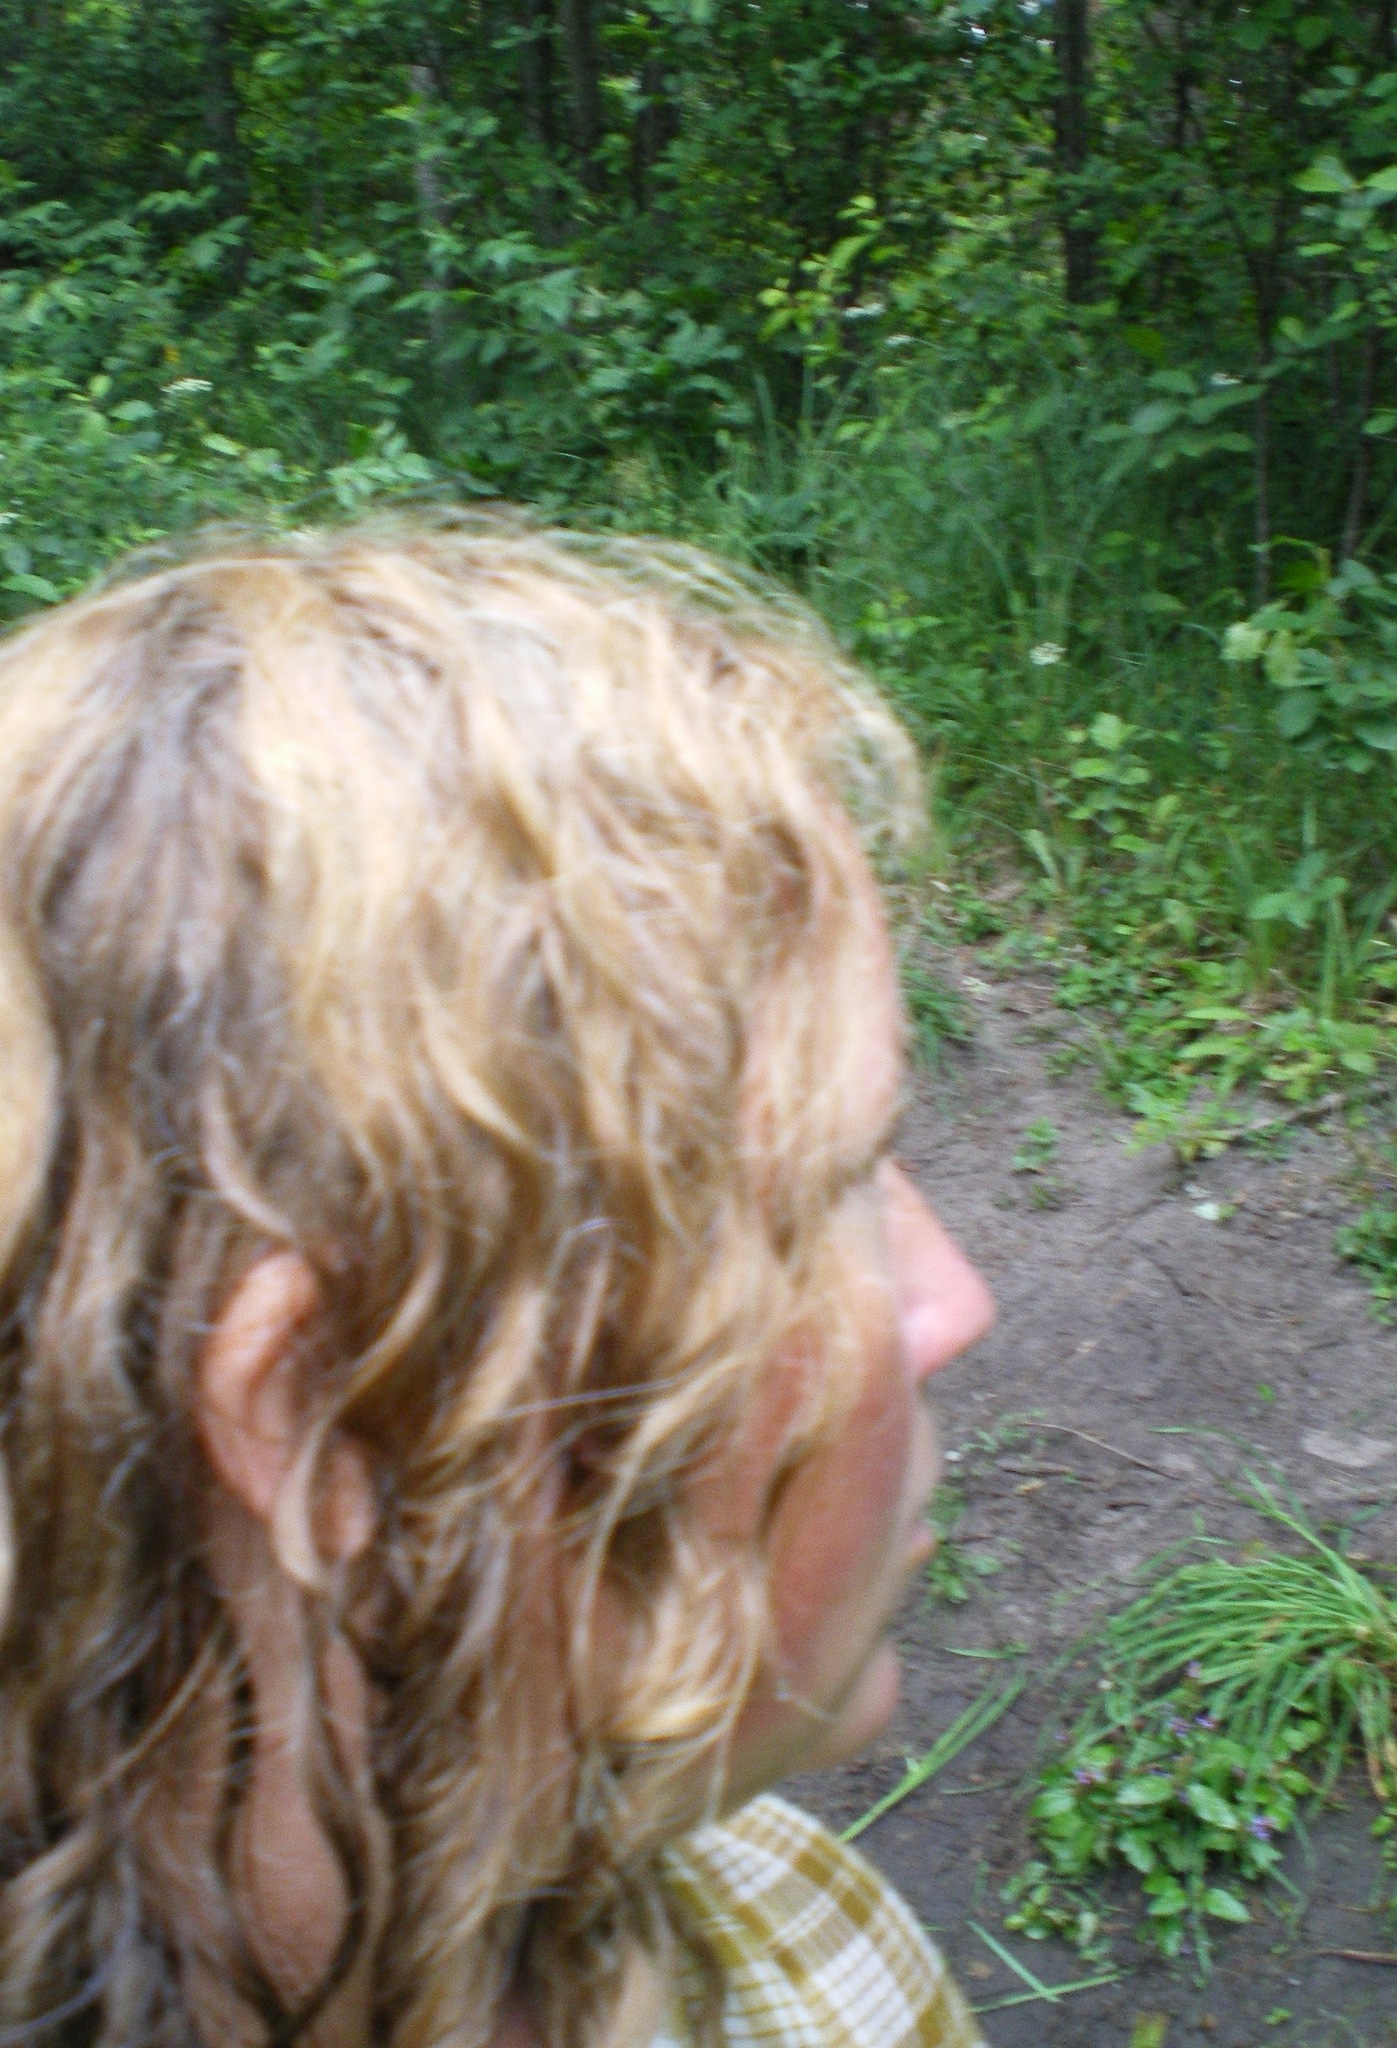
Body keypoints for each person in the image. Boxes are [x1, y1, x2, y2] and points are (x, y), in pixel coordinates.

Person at [0, 518, 996, 2048]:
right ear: (342, 1416)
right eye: (832, 1191)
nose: (954, 1302)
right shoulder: (803, 1990)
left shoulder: (813, 1931)